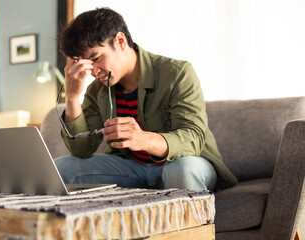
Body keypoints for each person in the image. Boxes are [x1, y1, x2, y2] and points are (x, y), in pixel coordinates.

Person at [55, 7, 237, 191]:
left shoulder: (177, 73)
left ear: (120, 41)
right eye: (86, 64)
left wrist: (143, 139)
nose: (94, 72)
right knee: (61, 167)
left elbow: (193, 139)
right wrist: (72, 97)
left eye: (97, 58)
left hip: (179, 164)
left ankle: (191, 219)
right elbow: (81, 150)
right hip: (131, 168)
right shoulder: (97, 90)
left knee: (183, 169)